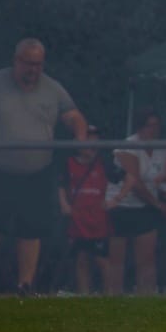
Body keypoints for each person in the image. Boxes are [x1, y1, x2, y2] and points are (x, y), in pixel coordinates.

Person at [0, 37, 89, 296]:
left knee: (32, 228)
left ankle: (25, 285)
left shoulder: (53, 89)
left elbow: (73, 116)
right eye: (28, 63)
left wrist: (80, 136)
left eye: (38, 64)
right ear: (16, 61)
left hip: (37, 173)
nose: (33, 70)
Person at [106, 108, 166, 295]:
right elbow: (135, 182)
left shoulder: (163, 149)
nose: (153, 130)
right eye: (148, 126)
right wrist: (158, 205)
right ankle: (113, 298)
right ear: (139, 127)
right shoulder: (127, 146)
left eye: (156, 126)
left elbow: (163, 181)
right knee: (116, 260)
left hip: (146, 208)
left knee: (146, 260)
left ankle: (147, 298)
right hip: (120, 206)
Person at [57, 124, 111, 294]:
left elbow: (126, 177)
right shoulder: (68, 163)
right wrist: (64, 204)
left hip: (98, 221)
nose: (93, 146)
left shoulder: (104, 163)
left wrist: (114, 199)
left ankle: (111, 296)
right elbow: (60, 184)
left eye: (96, 141)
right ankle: (83, 296)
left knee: (102, 260)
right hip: (78, 220)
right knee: (81, 259)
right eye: (89, 141)